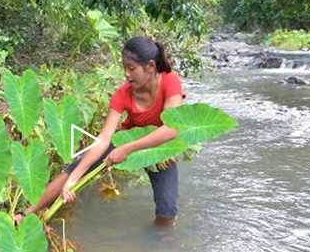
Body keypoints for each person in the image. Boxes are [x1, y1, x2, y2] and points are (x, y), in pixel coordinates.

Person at [14, 36, 185, 227]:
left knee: (167, 211)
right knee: (73, 170)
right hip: (125, 139)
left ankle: (161, 244)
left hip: (158, 145)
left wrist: (127, 149)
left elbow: (171, 128)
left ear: (151, 66)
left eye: (132, 68)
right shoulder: (122, 94)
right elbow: (103, 139)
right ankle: (26, 214)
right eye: (124, 68)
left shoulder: (170, 82)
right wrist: (74, 179)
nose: (126, 75)